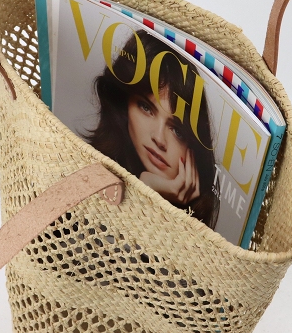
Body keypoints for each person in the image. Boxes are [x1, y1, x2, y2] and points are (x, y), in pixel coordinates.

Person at [84, 29, 220, 229]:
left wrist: (147, 192)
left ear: (193, 149)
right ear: (124, 103)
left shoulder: (194, 236)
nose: (159, 139)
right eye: (146, 108)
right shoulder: (84, 174)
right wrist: (143, 189)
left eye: (177, 131)